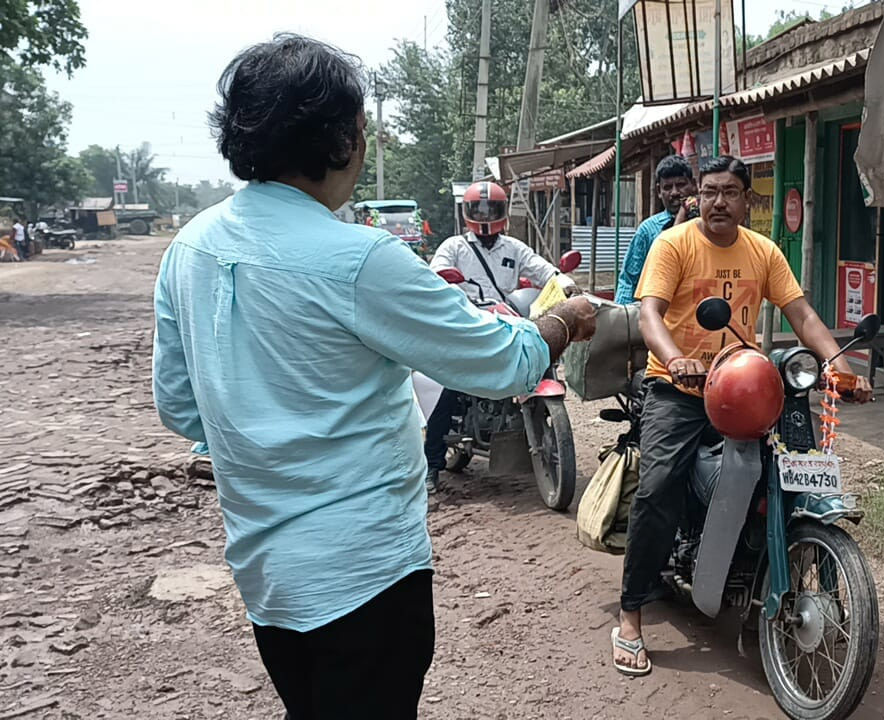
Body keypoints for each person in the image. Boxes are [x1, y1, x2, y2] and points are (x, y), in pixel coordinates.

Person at [150, 35, 595, 719]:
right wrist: (565, 319)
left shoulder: (191, 246)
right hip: (365, 575)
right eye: (361, 125)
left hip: (264, 572)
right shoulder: (360, 258)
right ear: (344, 137)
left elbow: (181, 409)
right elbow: (506, 362)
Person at [610, 156, 872, 676]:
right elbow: (649, 313)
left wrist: (839, 364)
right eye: (709, 192)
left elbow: (802, 315)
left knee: (792, 466)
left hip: (743, 383)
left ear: (747, 201)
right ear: (696, 197)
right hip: (679, 388)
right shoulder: (673, 243)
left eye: (730, 192)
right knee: (659, 487)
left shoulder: (763, 251)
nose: (718, 202)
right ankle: (631, 618)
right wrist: (676, 357)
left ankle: (768, 568)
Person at [423, 181, 578, 492]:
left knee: (540, 356)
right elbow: (436, 274)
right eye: (478, 209)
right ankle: (432, 466)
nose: (484, 215)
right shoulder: (454, 247)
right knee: (448, 390)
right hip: (468, 324)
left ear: (503, 212)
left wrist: (565, 283)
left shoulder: (513, 247)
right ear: (467, 213)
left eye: (491, 209)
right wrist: (449, 287)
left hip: (507, 319)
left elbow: (542, 269)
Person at [613, 155, 697, 305]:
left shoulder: (705, 225)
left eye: (681, 185)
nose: (675, 193)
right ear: (659, 191)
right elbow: (630, 279)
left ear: (694, 185)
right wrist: (623, 318)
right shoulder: (648, 230)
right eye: (667, 187)